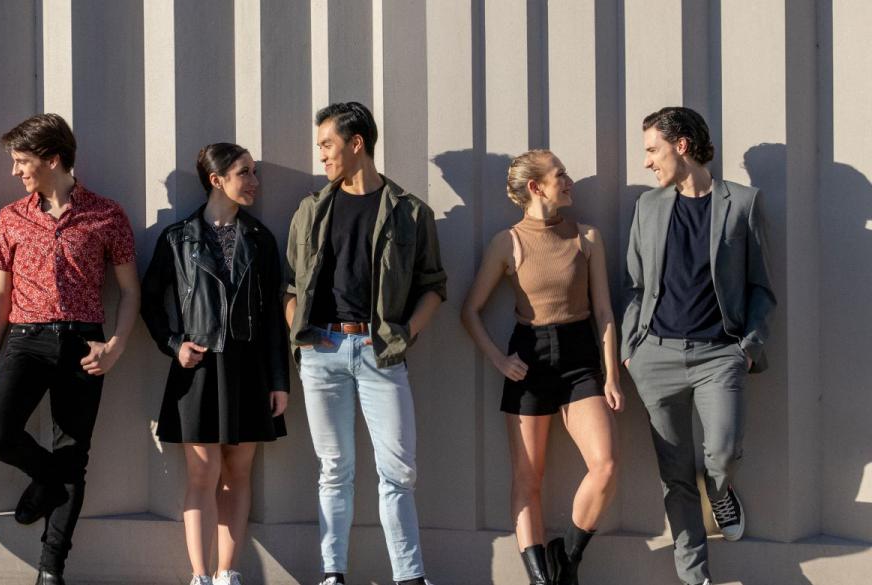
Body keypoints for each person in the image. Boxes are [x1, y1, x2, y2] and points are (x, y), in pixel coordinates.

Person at [284, 102, 447, 585]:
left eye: (327, 145)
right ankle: (332, 574)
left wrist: (405, 334)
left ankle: (409, 577)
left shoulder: (409, 212)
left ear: (357, 144)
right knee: (334, 469)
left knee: (398, 471)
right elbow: (291, 286)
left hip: (381, 353)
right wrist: (301, 337)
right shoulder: (311, 210)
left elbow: (434, 286)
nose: (322, 155)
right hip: (321, 351)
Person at [0, 113, 140, 585]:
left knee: (74, 453)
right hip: (25, 340)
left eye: (22, 161)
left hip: (83, 343)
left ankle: (51, 570)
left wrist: (116, 347)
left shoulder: (107, 215)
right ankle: (49, 480)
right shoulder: (11, 216)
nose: (15, 171)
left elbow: (130, 290)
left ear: (52, 159)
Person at [623, 107, 775, 585]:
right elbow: (635, 285)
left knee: (723, 452)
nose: (647, 161)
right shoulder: (648, 206)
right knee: (674, 476)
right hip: (654, 357)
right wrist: (631, 349)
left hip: (719, 356)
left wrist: (747, 347)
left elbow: (761, 287)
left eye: (653, 149)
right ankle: (695, 576)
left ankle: (720, 490)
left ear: (682, 145)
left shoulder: (743, 203)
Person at [460, 150, 621, 584]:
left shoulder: (587, 237)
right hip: (529, 360)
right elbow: (470, 311)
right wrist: (500, 360)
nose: (569, 181)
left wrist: (611, 376)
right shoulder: (507, 243)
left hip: (580, 360)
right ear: (536, 187)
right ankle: (539, 578)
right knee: (528, 477)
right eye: (560, 175)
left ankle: (566, 558)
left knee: (605, 464)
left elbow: (604, 312)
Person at [141, 143, 291, 585]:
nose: (254, 182)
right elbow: (149, 301)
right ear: (216, 179)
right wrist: (174, 344)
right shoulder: (177, 238)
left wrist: (279, 380)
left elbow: (272, 317)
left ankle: (228, 573)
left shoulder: (261, 239)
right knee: (202, 473)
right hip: (198, 370)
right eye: (244, 173)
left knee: (238, 475)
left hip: (249, 369)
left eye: (254, 172)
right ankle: (200, 576)